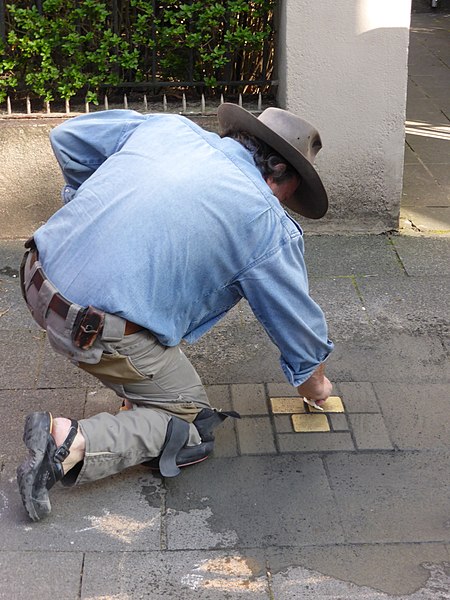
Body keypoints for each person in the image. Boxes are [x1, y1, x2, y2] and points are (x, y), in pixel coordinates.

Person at [17, 104, 333, 522]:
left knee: (150, 335)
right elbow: (294, 322)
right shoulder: (265, 221)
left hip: (35, 271)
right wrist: (315, 384)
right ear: (282, 176)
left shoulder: (169, 128)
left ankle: (132, 388)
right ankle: (69, 441)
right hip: (86, 325)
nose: (287, 203)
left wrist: (89, 206)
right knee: (190, 423)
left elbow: (68, 138)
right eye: (292, 194)